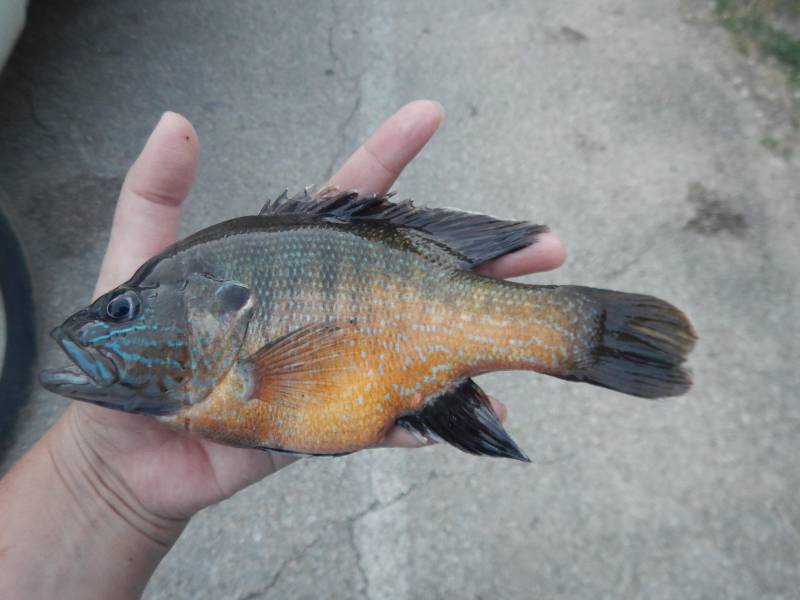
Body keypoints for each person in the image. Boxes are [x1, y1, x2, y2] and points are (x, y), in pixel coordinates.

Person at [0, 100, 565, 599]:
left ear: (206, 307)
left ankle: (572, 334)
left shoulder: (222, 378)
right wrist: (96, 476)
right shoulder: (208, 386)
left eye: (123, 311)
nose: (103, 326)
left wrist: (97, 484)